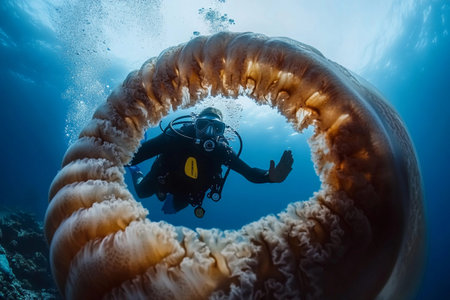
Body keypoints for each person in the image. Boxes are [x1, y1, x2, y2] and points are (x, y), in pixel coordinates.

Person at [127, 107, 294, 218]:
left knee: (169, 210)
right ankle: (137, 172)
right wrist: (121, 155)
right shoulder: (175, 137)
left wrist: (269, 177)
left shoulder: (222, 151)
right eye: (203, 124)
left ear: (222, 132)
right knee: (142, 192)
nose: (208, 132)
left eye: (216, 128)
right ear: (195, 124)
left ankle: (167, 197)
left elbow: (249, 173)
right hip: (162, 178)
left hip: (189, 192)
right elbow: (133, 156)